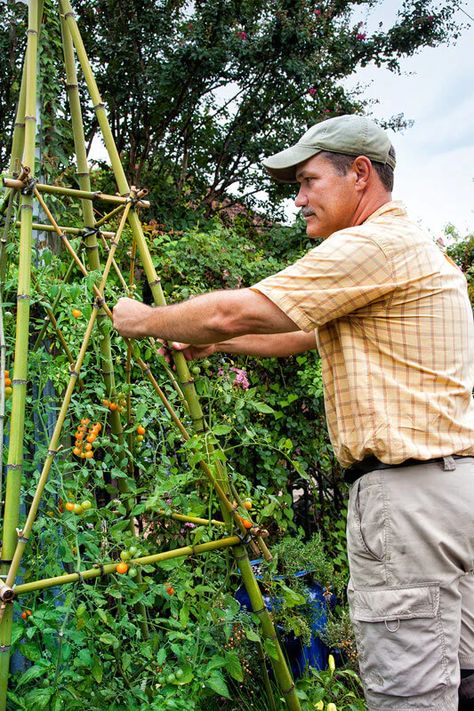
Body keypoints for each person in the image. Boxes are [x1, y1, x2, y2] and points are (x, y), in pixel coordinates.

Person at [113, 114, 474, 710]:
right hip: (454, 494)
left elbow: (243, 311)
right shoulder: (413, 250)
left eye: (308, 181)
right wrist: (219, 346)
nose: (299, 200)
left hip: (408, 507)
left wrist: (143, 319)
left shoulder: (369, 245)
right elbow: (301, 331)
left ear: (360, 174)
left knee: (410, 696)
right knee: (462, 681)